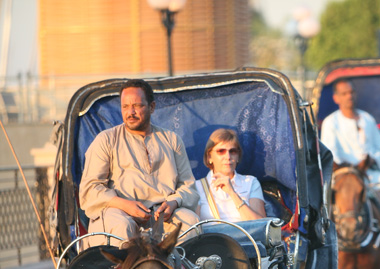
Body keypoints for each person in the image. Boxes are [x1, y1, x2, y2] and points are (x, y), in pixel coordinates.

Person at [79, 79, 199, 246]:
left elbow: (188, 186)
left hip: (162, 216)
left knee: (190, 222)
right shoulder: (106, 140)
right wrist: (124, 205)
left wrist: (174, 202)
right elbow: (90, 189)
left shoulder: (171, 140)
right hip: (120, 212)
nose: (131, 112)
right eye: (125, 107)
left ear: (152, 107)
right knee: (122, 226)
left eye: (137, 106)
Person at [321, 79, 380, 183]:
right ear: (336, 98)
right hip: (344, 175)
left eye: (351, 92)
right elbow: (330, 155)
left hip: (369, 175)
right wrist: (352, 167)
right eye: (344, 94)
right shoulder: (331, 122)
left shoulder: (367, 119)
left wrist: (371, 160)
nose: (349, 96)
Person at [196, 128, 266, 222]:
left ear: (238, 156)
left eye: (232, 151)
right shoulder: (196, 187)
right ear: (209, 157)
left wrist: (232, 193)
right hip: (211, 236)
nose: (228, 157)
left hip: (245, 236)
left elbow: (261, 225)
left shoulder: (251, 182)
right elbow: (193, 229)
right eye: (221, 151)